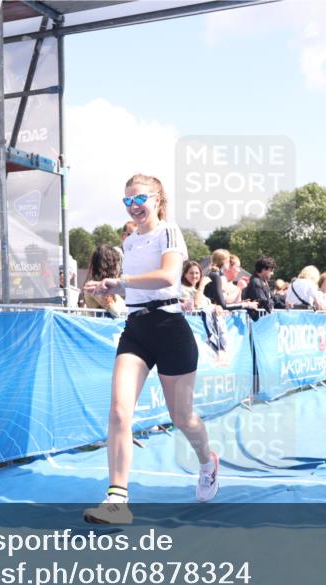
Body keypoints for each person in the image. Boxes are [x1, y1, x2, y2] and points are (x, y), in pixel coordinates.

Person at [82, 173, 218, 524]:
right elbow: (137, 290)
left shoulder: (169, 231)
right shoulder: (128, 243)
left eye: (139, 198)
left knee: (183, 418)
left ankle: (207, 461)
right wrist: (108, 290)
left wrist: (122, 281)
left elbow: (168, 277)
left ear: (158, 199)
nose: (133, 206)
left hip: (171, 329)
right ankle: (117, 500)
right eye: (127, 201)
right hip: (136, 329)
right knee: (118, 411)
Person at [83, 244, 127, 317]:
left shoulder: (100, 285)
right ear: (110, 264)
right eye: (116, 262)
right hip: (100, 327)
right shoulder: (93, 286)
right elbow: (116, 311)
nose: (118, 266)